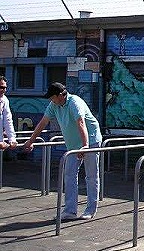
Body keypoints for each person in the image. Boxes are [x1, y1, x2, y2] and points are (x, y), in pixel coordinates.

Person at [24, 82, 102, 220]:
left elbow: (81, 122)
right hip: (73, 144)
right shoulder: (54, 105)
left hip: (90, 140)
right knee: (69, 174)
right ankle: (70, 211)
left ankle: (91, 210)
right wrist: (31, 141)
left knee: (91, 176)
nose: (50, 100)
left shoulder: (74, 102)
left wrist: (85, 146)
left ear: (60, 95)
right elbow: (43, 122)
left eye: (52, 97)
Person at [0, 75, 18, 151]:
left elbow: (8, 120)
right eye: (1, 87)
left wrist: (12, 139)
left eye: (5, 88)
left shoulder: (4, 100)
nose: (4, 90)